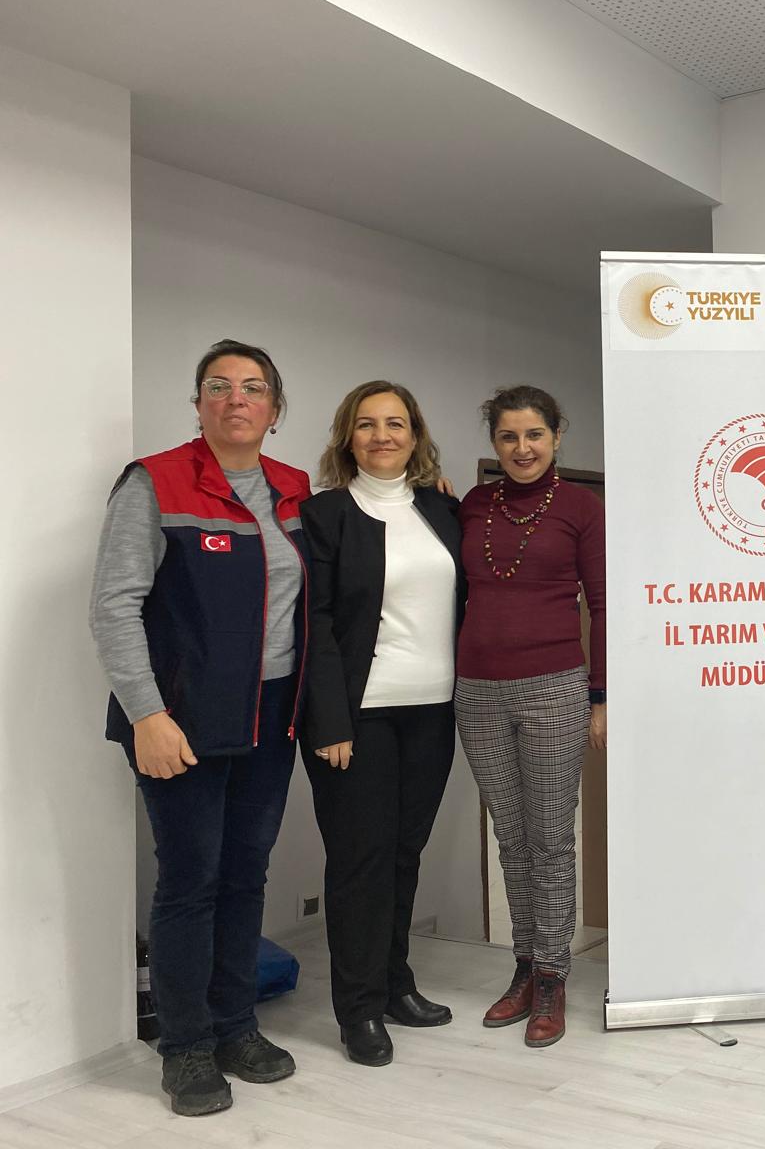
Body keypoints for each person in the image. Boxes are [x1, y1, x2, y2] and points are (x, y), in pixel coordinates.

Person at [91, 340, 307, 1116]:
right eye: (218, 386)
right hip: (181, 719)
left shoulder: (293, 489)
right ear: (198, 404)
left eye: (252, 388)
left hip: (272, 715)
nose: (235, 398)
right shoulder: (155, 482)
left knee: (247, 874)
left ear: (274, 410)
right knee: (191, 880)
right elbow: (114, 606)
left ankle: (236, 1026)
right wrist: (146, 715)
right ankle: (185, 1047)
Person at [298, 381, 465, 1067]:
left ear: (415, 435)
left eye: (395, 423)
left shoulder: (444, 510)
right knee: (359, 863)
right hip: (358, 717)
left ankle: (396, 986)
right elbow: (316, 624)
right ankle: (359, 1009)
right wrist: (329, 721)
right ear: (348, 437)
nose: (381, 435)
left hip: (433, 710)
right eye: (366, 424)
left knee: (403, 855)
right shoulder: (325, 514)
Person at [457, 385, 605, 1049]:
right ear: (495, 442)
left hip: (554, 688)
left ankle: (552, 975)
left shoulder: (581, 507)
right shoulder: (472, 505)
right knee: (511, 838)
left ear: (557, 436)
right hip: (477, 690)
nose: (522, 448)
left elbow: (603, 605)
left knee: (551, 838)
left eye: (534, 435)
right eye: (509, 437)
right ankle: (523, 966)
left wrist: (600, 697)